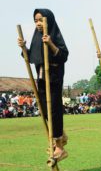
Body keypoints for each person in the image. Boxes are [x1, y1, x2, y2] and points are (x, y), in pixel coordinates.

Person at [17, 9, 68, 162]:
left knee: (54, 110)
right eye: (36, 20)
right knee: (45, 111)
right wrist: (24, 48)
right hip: (41, 80)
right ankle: (62, 135)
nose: (38, 23)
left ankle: (59, 146)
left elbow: (63, 56)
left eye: (41, 20)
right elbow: (31, 56)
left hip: (53, 79)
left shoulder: (55, 35)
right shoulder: (36, 38)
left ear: (48, 20)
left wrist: (50, 43)